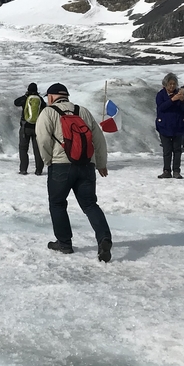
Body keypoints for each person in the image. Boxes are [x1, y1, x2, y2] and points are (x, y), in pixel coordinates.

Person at [35, 82, 112, 262]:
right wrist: (101, 163)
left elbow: (43, 140)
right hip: (86, 165)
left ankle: (64, 243)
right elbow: (98, 138)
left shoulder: (48, 112)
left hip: (61, 166)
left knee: (57, 203)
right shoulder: (83, 111)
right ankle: (104, 239)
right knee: (90, 204)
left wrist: (48, 161)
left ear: (52, 97)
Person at [155, 72, 184, 179]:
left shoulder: (179, 94)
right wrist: (172, 100)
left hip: (178, 125)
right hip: (164, 126)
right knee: (167, 150)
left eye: (174, 84)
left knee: (177, 149)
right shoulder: (160, 95)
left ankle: (176, 170)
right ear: (165, 84)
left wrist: (182, 100)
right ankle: (166, 170)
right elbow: (161, 107)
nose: (172, 86)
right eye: (170, 84)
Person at [13, 82, 45, 175]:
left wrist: (25, 95)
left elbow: (16, 102)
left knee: (23, 149)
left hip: (25, 127)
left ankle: (23, 169)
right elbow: (45, 107)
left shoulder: (26, 99)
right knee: (37, 149)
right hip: (36, 128)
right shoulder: (40, 99)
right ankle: (39, 170)